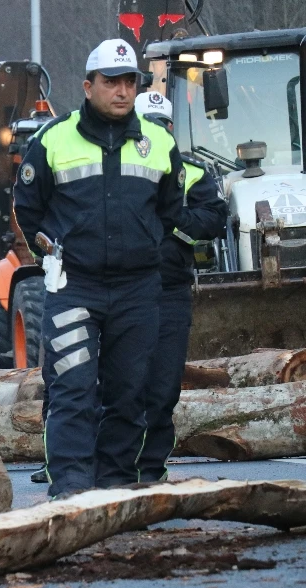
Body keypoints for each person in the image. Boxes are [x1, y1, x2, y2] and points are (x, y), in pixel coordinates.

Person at [14, 39, 184, 498]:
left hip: (137, 291)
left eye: (130, 82)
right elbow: (28, 208)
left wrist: (144, 247)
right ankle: (70, 486)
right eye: (111, 82)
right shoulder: (53, 139)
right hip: (74, 287)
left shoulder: (160, 143)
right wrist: (51, 257)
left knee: (130, 393)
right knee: (72, 388)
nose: (123, 91)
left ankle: (115, 485)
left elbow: (170, 211)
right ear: (88, 86)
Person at [133, 91, 228, 482]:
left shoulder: (193, 172)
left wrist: (171, 223)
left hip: (170, 290)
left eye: (163, 124)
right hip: (122, 290)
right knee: (121, 384)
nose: (158, 130)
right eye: (149, 123)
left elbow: (214, 218)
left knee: (164, 386)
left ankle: (151, 469)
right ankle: (115, 465)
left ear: (171, 128)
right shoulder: (115, 167)